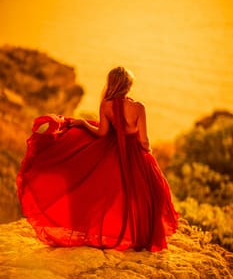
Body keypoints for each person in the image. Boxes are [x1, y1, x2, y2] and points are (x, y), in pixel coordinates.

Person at [17, 66, 179, 252]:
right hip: (137, 155)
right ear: (128, 85)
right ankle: (143, 236)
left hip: (115, 153)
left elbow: (102, 133)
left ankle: (119, 232)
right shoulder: (138, 107)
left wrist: (84, 124)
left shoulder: (106, 105)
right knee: (149, 194)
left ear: (111, 84)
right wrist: (148, 153)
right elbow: (143, 140)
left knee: (111, 195)